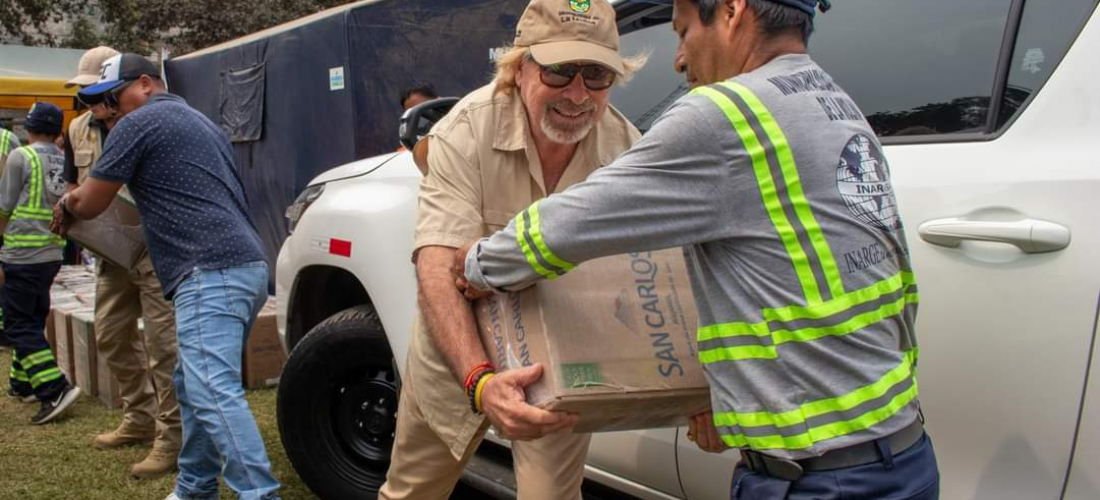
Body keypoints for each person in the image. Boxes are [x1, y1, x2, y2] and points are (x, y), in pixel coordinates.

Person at [458, 0, 940, 499]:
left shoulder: (728, 115)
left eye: (683, 31)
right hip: (904, 455)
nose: (679, 59)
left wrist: (477, 264)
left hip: (820, 476)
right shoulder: (837, 103)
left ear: (732, 11)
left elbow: (572, 223)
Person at [378, 0, 644, 498]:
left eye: (597, 75)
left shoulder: (626, 149)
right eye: (560, 71)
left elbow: (667, 267)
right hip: (455, 351)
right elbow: (437, 268)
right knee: (413, 490)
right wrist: (479, 380)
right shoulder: (464, 129)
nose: (579, 94)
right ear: (520, 66)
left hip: (560, 358)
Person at [55, 53, 282, 500]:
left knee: (212, 388)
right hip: (245, 265)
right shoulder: (202, 123)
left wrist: (65, 206)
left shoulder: (139, 123)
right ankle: (194, 487)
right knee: (191, 381)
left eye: (114, 97)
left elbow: (90, 204)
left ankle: (259, 494)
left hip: (206, 269)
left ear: (144, 83)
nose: (110, 109)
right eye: (102, 102)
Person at [62, 45, 183, 479]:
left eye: (98, 93)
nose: (92, 104)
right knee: (111, 334)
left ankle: (172, 439)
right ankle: (139, 417)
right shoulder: (79, 129)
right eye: (85, 96)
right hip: (110, 252)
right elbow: (75, 183)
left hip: (156, 249)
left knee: (164, 347)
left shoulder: (151, 120)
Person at [0, 102, 82, 424]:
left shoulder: (22, 156)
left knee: (17, 323)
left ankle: (53, 387)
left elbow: (4, 206)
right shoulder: (64, 159)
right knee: (32, 317)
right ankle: (23, 383)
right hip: (50, 252)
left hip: (21, 251)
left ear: (29, 127)